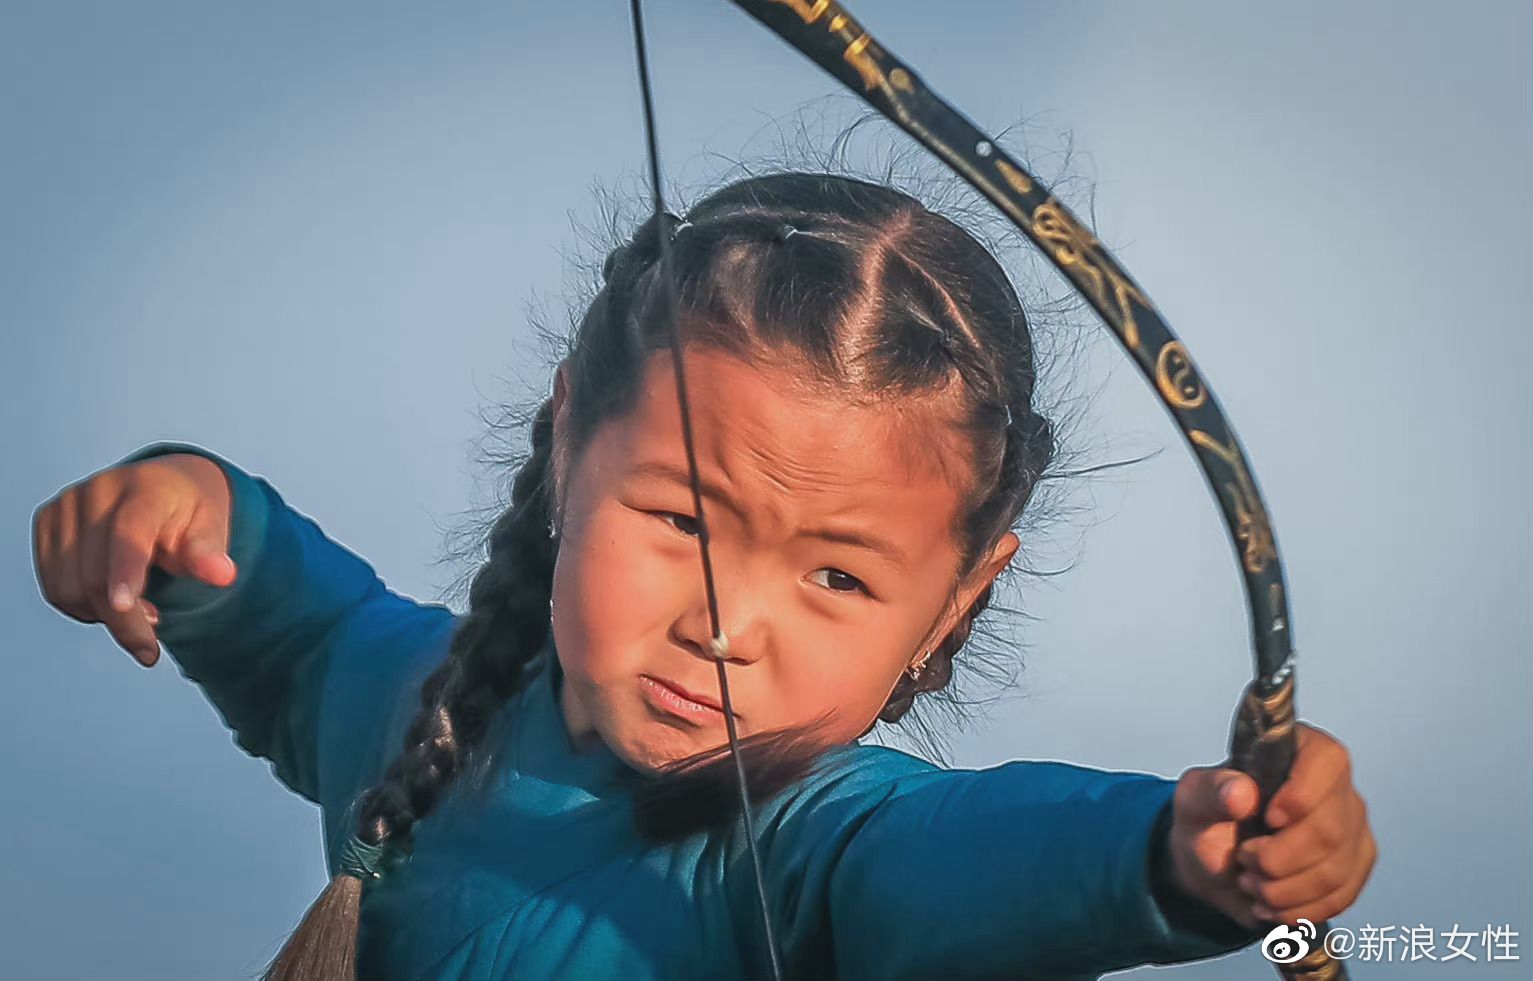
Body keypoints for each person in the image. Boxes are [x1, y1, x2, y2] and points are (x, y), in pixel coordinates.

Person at [32, 173, 1375, 980]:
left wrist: (1174, 855)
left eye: (839, 577)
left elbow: (979, 855)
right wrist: (186, 503)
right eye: (681, 517)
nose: (725, 626)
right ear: (568, 444)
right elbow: (300, 625)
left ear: (956, 598)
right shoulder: (411, 700)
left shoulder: (822, 844)